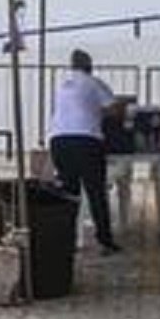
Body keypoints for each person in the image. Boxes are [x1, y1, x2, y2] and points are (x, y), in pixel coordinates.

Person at [48, 49, 127, 254]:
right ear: (89, 66)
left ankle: (68, 239)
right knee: (95, 192)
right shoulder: (94, 83)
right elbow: (115, 109)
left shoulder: (62, 86)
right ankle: (105, 240)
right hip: (86, 141)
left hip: (58, 140)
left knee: (69, 193)